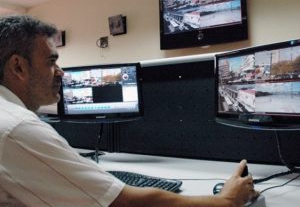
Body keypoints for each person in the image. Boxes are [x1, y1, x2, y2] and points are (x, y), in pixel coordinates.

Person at [0, 15, 259, 207]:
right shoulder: (17, 128)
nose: (61, 72)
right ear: (18, 67)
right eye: (52, 61)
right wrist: (227, 199)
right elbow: (124, 202)